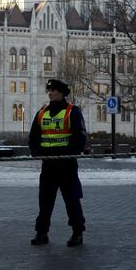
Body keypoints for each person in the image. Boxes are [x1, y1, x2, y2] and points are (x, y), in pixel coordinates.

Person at [28, 78, 88, 247]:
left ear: (62, 93)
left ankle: (77, 233)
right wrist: (36, 152)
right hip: (48, 165)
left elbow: (80, 136)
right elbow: (34, 137)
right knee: (45, 201)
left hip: (66, 165)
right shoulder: (42, 112)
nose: (51, 93)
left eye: (54, 90)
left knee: (72, 200)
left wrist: (69, 152)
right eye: (49, 90)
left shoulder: (72, 112)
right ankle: (41, 233)